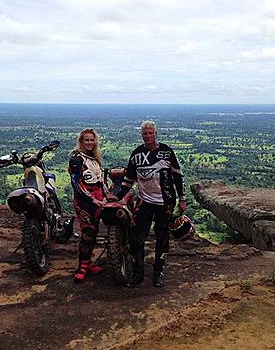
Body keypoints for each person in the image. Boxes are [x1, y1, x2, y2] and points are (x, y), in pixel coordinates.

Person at [111, 120, 187, 287]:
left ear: (156, 133)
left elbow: (177, 176)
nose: (147, 136)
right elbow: (128, 180)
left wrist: (182, 198)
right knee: (136, 238)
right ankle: (138, 273)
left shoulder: (167, 152)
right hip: (144, 201)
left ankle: (158, 272)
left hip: (165, 202)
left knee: (162, 238)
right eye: (144, 133)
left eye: (150, 133)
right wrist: (117, 197)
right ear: (141, 135)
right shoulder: (137, 154)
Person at [68, 129, 106, 283]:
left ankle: (88, 263)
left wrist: (105, 194)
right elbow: (76, 183)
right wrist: (91, 199)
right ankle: (82, 267)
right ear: (81, 141)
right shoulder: (77, 158)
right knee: (87, 232)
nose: (90, 143)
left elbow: (100, 180)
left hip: (97, 197)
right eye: (87, 140)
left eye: (92, 140)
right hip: (84, 200)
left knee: (94, 231)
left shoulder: (94, 158)